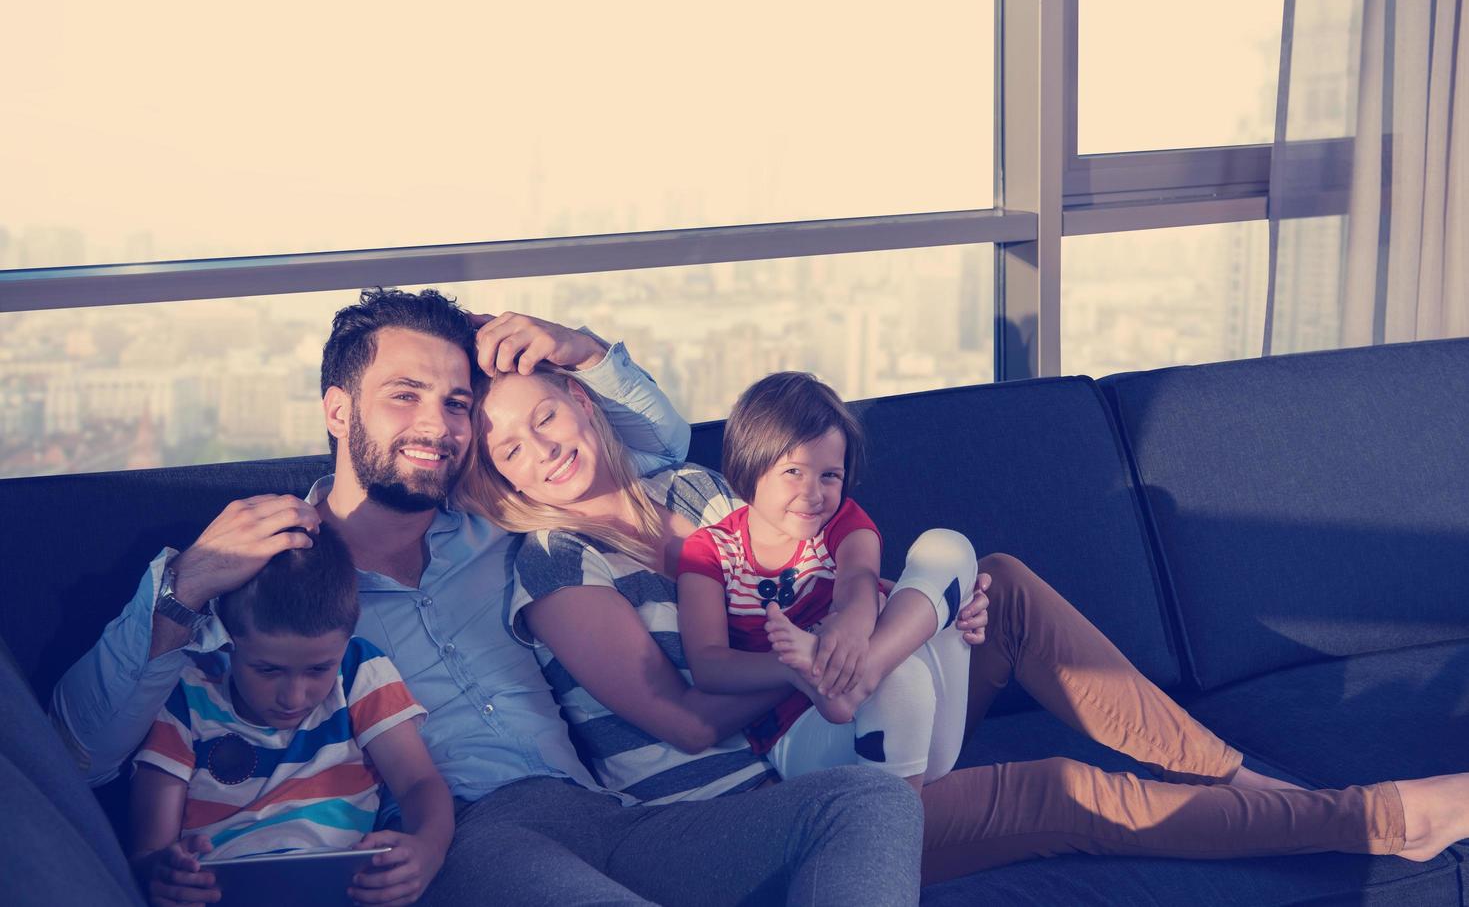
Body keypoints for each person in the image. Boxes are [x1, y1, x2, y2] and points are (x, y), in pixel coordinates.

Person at [51, 288, 925, 907]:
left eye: (457, 402)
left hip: (610, 816)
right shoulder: (269, 577)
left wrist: (580, 350)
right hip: (460, 842)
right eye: (404, 396)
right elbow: (83, 749)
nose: (437, 423)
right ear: (335, 409)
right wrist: (183, 582)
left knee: (869, 803)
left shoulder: (502, 527)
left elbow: (652, 450)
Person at [465, 359, 1469, 886]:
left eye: (543, 413)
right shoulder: (552, 562)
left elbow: (832, 562)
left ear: (580, 404)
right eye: (504, 443)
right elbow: (684, 721)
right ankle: (1375, 818)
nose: (534, 447)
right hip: (758, 808)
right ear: (496, 471)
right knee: (1058, 792)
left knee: (995, 580)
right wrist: (829, 661)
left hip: (847, 711)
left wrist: (915, 622)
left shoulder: (692, 485)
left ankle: (1231, 777)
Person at [676, 372, 978, 793]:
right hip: (805, 737)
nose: (812, 493)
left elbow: (858, 578)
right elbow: (709, 665)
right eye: (794, 471)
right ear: (750, 464)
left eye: (829, 476)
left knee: (948, 546)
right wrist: (798, 668)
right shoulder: (709, 550)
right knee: (901, 677)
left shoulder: (842, 520)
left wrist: (852, 628)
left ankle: (864, 674)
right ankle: (895, 828)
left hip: (923, 725)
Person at [129, 523, 452, 907]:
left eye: (318, 670)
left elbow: (419, 784)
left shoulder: (360, 672)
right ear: (226, 639)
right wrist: (165, 875)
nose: (294, 697)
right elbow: (149, 851)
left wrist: (427, 850)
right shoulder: (187, 695)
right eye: (268, 670)